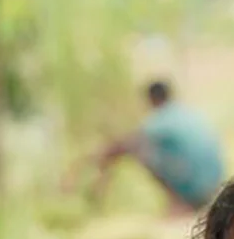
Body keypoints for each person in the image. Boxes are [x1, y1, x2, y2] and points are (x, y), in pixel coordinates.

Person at [92, 81, 227, 215]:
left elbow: (127, 144)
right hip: (215, 183)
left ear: (151, 99)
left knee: (140, 150)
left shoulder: (160, 118)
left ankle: (180, 203)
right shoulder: (188, 113)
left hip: (195, 186)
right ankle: (189, 201)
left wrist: (100, 165)